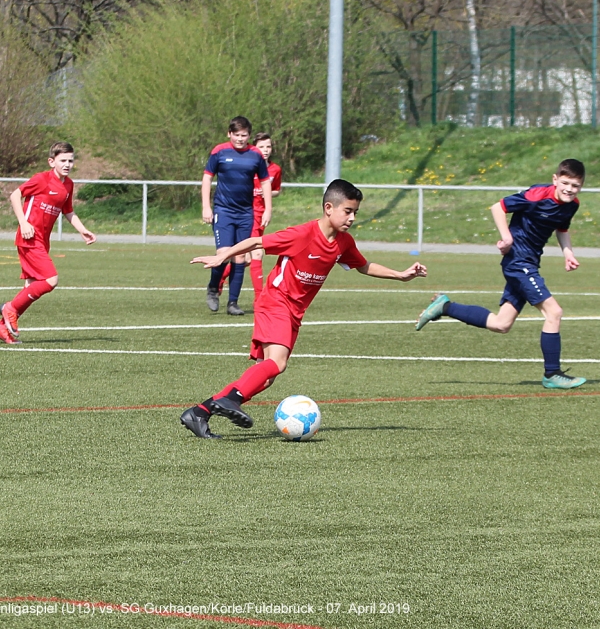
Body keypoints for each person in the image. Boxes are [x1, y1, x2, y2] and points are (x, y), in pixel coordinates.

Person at [181, 178, 427, 439]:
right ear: (329, 208)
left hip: (294, 312)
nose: (352, 218)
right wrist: (223, 255)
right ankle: (231, 398)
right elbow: (256, 242)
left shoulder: (343, 242)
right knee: (277, 363)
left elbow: (363, 265)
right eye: (348, 211)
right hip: (276, 301)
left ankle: (199, 413)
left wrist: (400, 275)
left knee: (266, 376)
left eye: (355, 212)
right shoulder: (302, 234)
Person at [415, 158, 588, 390]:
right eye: (565, 183)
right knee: (554, 312)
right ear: (555, 179)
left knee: (501, 324)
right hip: (518, 261)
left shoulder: (572, 204)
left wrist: (568, 253)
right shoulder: (537, 195)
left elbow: (562, 229)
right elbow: (498, 207)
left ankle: (445, 307)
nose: (569, 189)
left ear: (581, 186)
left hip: (530, 262)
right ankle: (552, 373)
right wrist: (507, 237)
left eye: (575, 186)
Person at [0, 142, 96, 344]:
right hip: (29, 238)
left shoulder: (68, 185)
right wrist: (23, 223)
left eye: (70, 160)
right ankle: (9, 308)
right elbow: (15, 195)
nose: (67, 164)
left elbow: (68, 211)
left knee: (31, 287)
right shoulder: (41, 179)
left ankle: (1, 328)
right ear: (51, 161)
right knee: (51, 280)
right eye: (62, 160)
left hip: (43, 241)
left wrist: (82, 230)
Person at [202, 117, 271, 316]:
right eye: (237, 135)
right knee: (223, 253)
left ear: (249, 135)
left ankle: (233, 303)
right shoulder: (219, 151)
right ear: (229, 134)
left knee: (240, 256)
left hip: (245, 212)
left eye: (244, 135)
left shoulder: (255, 155)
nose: (240, 139)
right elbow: (207, 178)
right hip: (223, 211)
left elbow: (265, 182)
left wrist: (268, 209)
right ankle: (213, 288)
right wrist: (206, 207)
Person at [218, 131, 283, 300]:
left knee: (246, 259)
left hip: (261, 215)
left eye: (268, 146)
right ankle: (259, 299)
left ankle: (220, 278)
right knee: (257, 254)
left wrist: (267, 195)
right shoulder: (248, 165)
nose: (265, 150)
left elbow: (276, 190)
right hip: (247, 213)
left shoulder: (275, 169)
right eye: (261, 146)